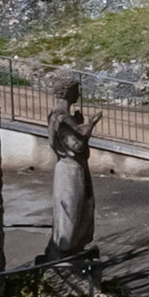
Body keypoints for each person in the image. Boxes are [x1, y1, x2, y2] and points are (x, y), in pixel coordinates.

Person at [44, 80, 101, 262]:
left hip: (68, 167)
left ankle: (70, 246)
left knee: (74, 209)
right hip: (71, 170)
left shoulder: (56, 115)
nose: (79, 94)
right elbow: (77, 144)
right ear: (68, 92)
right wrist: (90, 125)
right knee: (72, 210)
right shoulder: (62, 118)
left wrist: (79, 124)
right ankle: (66, 250)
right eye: (77, 91)